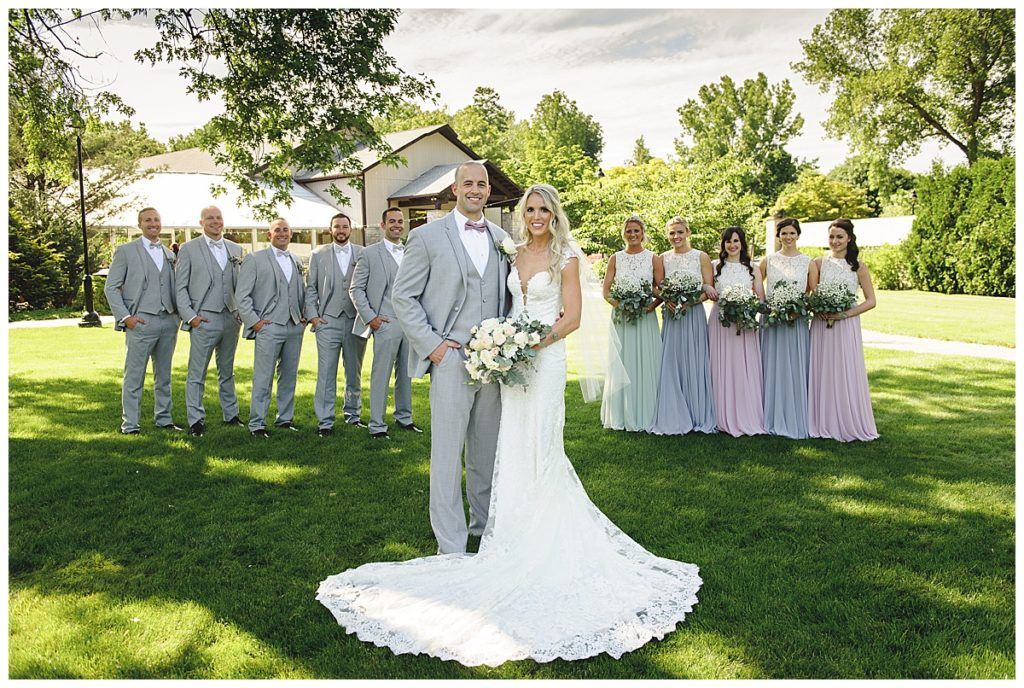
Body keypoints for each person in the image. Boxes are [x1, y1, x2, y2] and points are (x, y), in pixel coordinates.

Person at [318, 184, 701, 666]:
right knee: (509, 445)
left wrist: (526, 345)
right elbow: (492, 306)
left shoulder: (566, 256)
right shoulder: (511, 251)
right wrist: (502, 347)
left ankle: (540, 535)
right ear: (522, 215)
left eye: (544, 209)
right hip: (506, 364)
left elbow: (574, 318)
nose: (537, 215)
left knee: (541, 444)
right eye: (531, 209)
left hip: (542, 360)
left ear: (555, 215)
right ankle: (504, 528)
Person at [388, 161, 511, 555]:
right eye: (468, 183)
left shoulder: (500, 236)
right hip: (451, 359)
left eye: (482, 184)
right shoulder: (426, 237)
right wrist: (434, 347)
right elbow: (403, 298)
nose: (475, 189)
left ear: (488, 191)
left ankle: (483, 527)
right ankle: (451, 542)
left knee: (486, 451)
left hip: (494, 363)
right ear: (455, 189)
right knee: (446, 454)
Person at [105, 207, 181, 434]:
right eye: (148, 220)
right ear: (140, 224)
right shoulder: (126, 251)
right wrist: (126, 317)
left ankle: (164, 419)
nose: (153, 224)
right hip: (141, 321)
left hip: (168, 322)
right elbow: (111, 288)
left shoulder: (169, 254)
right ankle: (130, 424)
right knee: (134, 375)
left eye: (157, 220)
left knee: (164, 376)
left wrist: (176, 316)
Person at [348, 207, 421, 440]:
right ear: (383, 225)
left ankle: (404, 417)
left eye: (400, 221)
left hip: (410, 323)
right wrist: (372, 318)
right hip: (385, 323)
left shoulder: (412, 251)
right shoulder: (369, 254)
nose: (397, 225)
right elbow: (355, 289)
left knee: (406, 374)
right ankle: (377, 425)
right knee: (381, 374)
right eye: (392, 221)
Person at [174, 205, 245, 437]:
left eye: (219, 218)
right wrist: (191, 317)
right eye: (210, 218)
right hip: (203, 318)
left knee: (227, 370)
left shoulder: (235, 249)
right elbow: (180, 287)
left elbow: (243, 286)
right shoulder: (189, 249)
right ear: (201, 222)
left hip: (230, 318)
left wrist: (240, 312)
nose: (215, 222)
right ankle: (195, 420)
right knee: (197, 372)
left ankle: (231, 414)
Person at [808, 218, 879, 441]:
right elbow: (809, 295)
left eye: (839, 237)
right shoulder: (818, 263)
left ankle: (846, 420)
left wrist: (844, 314)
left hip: (846, 326)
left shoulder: (858, 267)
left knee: (844, 370)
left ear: (849, 238)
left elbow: (871, 301)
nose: (835, 241)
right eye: (831, 237)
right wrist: (817, 308)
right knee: (821, 369)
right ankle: (820, 420)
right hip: (821, 326)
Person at [236, 217, 307, 438]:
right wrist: (255, 321)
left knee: (289, 375)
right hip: (268, 326)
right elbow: (242, 295)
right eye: (278, 230)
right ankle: (257, 423)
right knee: (263, 376)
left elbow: (300, 290)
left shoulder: (295, 259)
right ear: (269, 234)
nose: (282, 233)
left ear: (291, 233)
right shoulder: (255, 259)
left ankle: (285, 419)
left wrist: (304, 315)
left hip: (294, 326)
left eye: (286, 229)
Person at [649, 216, 717, 435]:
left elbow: (708, 289)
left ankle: (697, 412)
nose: (676, 236)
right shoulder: (662, 258)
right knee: (671, 361)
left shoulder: (701, 256)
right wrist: (667, 297)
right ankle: (673, 411)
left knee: (694, 360)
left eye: (679, 232)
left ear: (688, 232)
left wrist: (689, 301)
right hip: (672, 316)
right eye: (671, 233)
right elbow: (656, 287)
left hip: (693, 314)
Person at [305, 213, 367, 436]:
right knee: (326, 373)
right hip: (328, 321)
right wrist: (313, 316)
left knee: (354, 372)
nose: (341, 230)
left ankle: (353, 414)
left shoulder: (362, 253)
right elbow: (310, 287)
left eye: (345, 227)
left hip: (355, 321)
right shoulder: (318, 254)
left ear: (351, 229)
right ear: (330, 230)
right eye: (337, 227)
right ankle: (325, 421)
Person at [600, 215, 663, 432]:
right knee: (623, 362)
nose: (633, 234)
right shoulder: (615, 258)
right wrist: (621, 305)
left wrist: (650, 306)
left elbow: (661, 291)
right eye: (629, 231)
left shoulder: (653, 258)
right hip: (622, 319)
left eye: (636, 230)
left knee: (646, 362)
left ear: (643, 233)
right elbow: (606, 292)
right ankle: (621, 413)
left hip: (645, 318)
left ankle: (647, 412)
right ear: (623, 233)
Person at [758, 218, 818, 439]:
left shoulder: (808, 262)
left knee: (794, 365)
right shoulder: (769, 261)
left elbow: (812, 292)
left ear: (798, 235)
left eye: (792, 233)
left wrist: (797, 309)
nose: (788, 237)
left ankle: (794, 413)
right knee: (770, 364)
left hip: (796, 322)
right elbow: (757, 285)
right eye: (784, 233)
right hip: (772, 321)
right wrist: (768, 307)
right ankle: (768, 413)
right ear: (778, 235)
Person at [708, 227, 766, 437]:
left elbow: (760, 298)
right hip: (720, 323)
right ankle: (720, 415)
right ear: (722, 244)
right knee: (721, 366)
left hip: (744, 324)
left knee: (744, 367)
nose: (732, 245)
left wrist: (746, 309)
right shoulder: (715, 266)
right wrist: (707, 287)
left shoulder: (753, 267)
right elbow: (707, 287)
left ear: (742, 243)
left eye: (736, 241)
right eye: (728, 241)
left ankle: (746, 414)